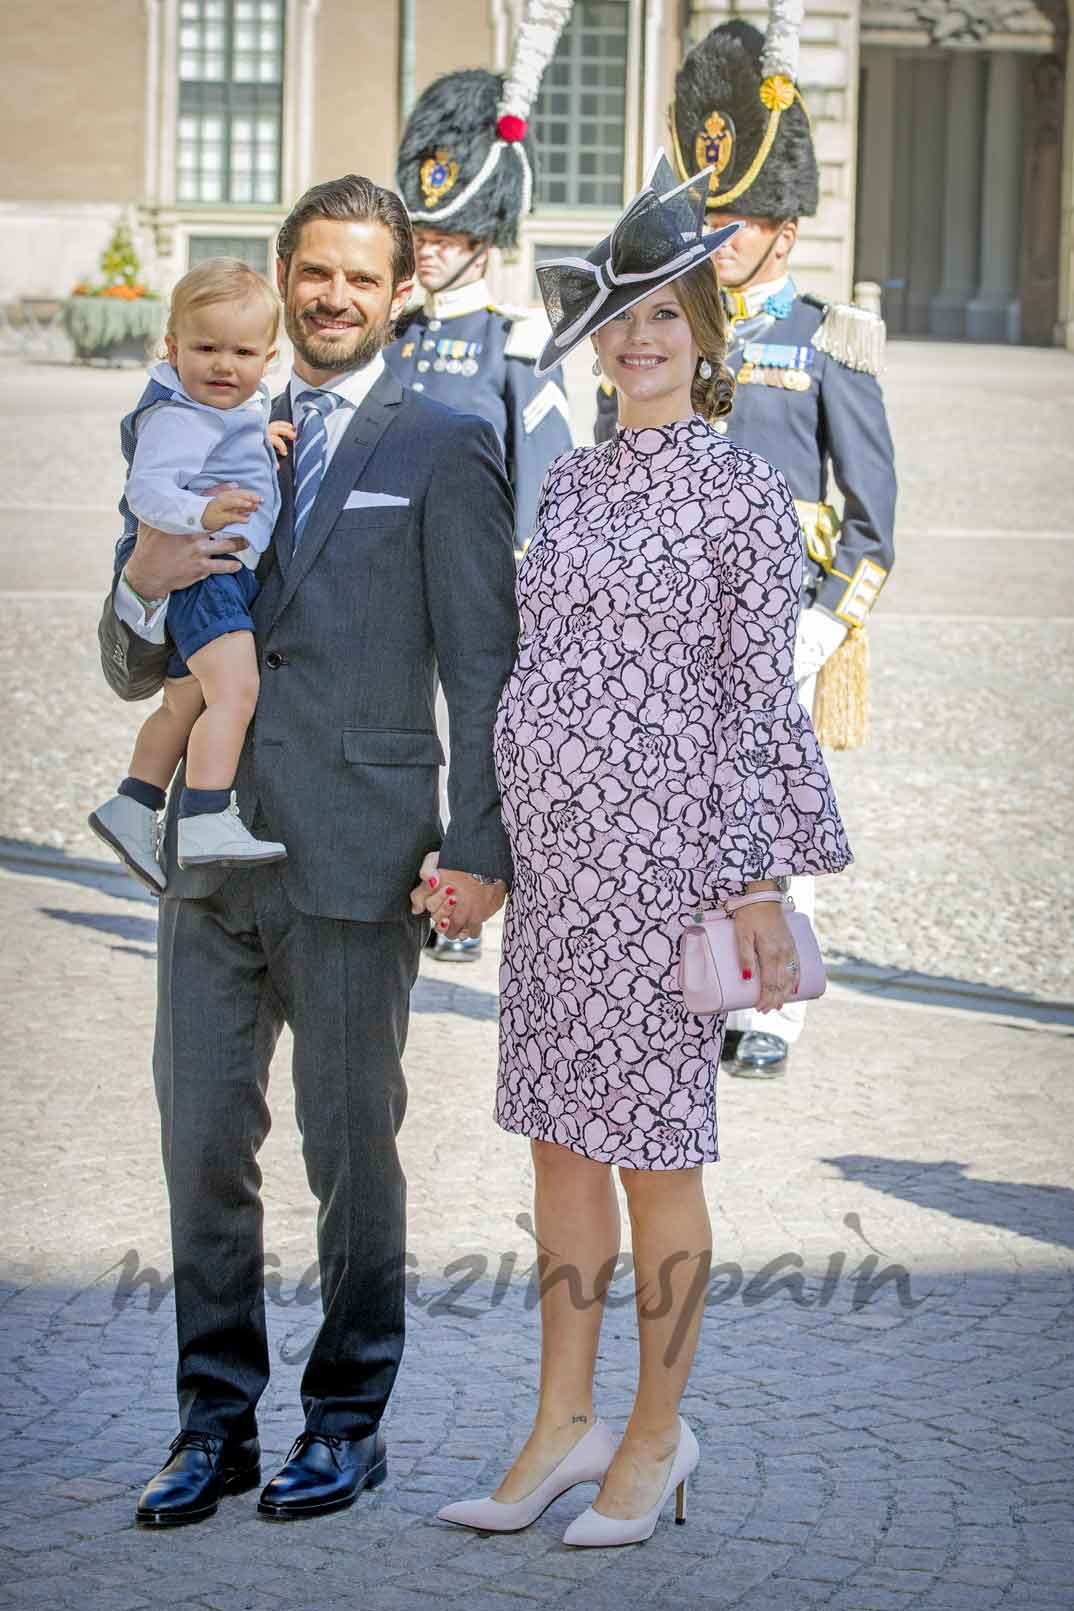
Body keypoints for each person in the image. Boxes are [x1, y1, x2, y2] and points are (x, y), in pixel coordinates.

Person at [421, 152, 851, 1548]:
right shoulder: (574, 481)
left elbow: (755, 695)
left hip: (668, 877)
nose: (641, 338)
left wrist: (758, 881)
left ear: (703, 334)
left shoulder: (738, 492)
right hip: (558, 875)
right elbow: (534, 661)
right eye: (620, 319)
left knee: (655, 1156)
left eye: (665, 315)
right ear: (596, 340)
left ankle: (656, 1433)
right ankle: (562, 1422)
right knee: (556, 1146)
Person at [97, 174, 518, 1528]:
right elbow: (126, 655)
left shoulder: (448, 439)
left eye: (358, 275)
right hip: (211, 860)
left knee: (352, 1152)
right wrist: (140, 578)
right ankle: (211, 1423)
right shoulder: (199, 415)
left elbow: (485, 659)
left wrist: (479, 850)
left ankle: (347, 1419)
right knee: (201, 1144)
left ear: (402, 290)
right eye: (310, 272)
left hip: (359, 854)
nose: (330, 296)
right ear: (282, 278)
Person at [595, 6, 897, 1080]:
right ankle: (683, 968)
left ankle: (772, 1008)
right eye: (706, 218)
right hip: (667, 610)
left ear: (785, 229)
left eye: (737, 222)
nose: (715, 238)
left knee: (770, 805)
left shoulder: (829, 344)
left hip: (779, 621)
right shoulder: (662, 326)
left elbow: (871, 521)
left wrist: (821, 627)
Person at [387, 4, 575, 963]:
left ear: (484, 235)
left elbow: (543, 489)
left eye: (448, 231)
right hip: (388, 574)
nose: (428, 245)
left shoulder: (515, 344)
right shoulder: (398, 338)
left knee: (477, 740)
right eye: (422, 227)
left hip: (477, 582)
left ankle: (469, 874)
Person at [89, 258, 290, 891]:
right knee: (236, 693)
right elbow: (148, 490)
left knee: (184, 702)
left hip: (213, 573)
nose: (223, 366)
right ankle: (206, 813)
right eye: (205, 348)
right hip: (209, 576)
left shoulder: (230, 410)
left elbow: (226, 439)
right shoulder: (180, 414)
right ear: (171, 348)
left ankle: (135, 800)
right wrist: (199, 511)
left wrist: (262, 432)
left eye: (242, 352)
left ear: (269, 358)